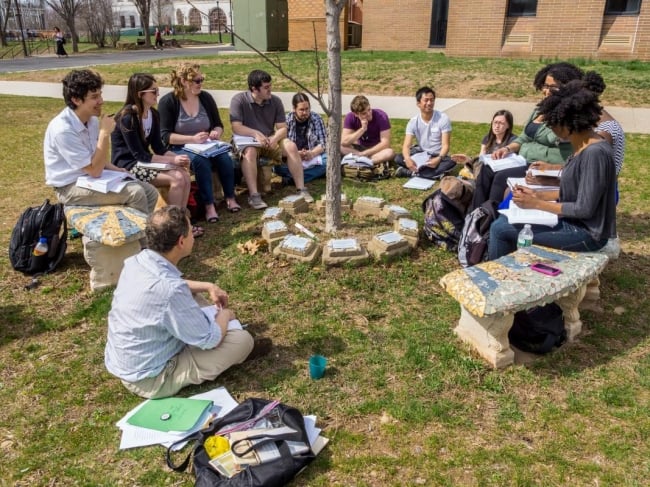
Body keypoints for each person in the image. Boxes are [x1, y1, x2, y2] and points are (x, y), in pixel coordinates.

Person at [104, 205, 272, 399]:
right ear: (181, 241)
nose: (194, 234)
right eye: (191, 230)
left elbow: (173, 286)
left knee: (193, 296)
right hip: (152, 378)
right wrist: (225, 315)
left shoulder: (137, 261)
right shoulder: (170, 291)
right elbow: (211, 339)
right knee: (242, 341)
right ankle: (237, 345)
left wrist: (207, 286)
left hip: (132, 361)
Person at [488, 79, 616, 260]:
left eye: (553, 124)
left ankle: (496, 280)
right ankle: (513, 270)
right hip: (574, 223)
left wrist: (537, 204)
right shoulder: (583, 146)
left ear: (566, 123)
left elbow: (584, 209)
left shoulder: (595, 153)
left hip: (587, 234)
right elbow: (576, 190)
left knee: (499, 229)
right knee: (505, 220)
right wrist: (537, 195)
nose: (552, 129)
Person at [44, 69, 158, 215]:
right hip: (69, 187)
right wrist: (104, 133)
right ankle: (135, 235)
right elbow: (94, 170)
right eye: (94, 97)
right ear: (76, 100)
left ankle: (143, 232)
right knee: (135, 193)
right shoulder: (63, 130)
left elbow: (96, 158)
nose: (101, 101)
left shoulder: (90, 119)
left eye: (100, 95)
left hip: (91, 178)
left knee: (150, 191)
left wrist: (117, 170)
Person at [470, 62, 582, 210]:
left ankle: (490, 219)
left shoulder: (566, 115)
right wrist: (507, 149)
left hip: (540, 165)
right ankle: (475, 214)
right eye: (545, 86)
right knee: (486, 169)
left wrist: (550, 115)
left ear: (566, 88)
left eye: (552, 87)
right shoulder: (539, 110)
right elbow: (524, 137)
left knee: (500, 177)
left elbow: (555, 138)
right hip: (521, 159)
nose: (546, 91)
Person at [111, 74, 199, 236]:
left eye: (157, 90)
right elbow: (139, 155)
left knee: (184, 175)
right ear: (139, 94)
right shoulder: (127, 118)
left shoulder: (153, 114)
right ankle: (170, 228)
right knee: (177, 178)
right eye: (153, 91)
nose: (157, 94)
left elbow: (158, 147)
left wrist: (177, 159)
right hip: (127, 166)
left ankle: (181, 223)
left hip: (144, 162)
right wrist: (173, 159)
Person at [159, 63, 240, 222]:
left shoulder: (205, 97)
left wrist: (216, 132)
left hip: (207, 145)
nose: (200, 83)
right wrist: (192, 139)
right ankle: (209, 205)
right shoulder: (168, 102)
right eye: (197, 80)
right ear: (183, 81)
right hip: (180, 147)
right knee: (200, 161)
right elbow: (166, 136)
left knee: (225, 158)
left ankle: (230, 197)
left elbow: (218, 124)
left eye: (201, 79)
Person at [230, 69, 313, 209]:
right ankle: (254, 196)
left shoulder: (275, 101)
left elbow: (283, 128)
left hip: (269, 140)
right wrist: (255, 134)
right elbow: (236, 127)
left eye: (270, 86)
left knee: (291, 146)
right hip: (248, 141)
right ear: (254, 89)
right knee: (249, 152)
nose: (270, 90)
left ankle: (301, 189)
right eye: (266, 87)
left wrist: (275, 138)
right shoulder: (239, 100)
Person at [394, 87, 455, 179]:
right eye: (426, 100)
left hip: (438, 155)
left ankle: (411, 173)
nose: (429, 103)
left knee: (452, 161)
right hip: (422, 154)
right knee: (398, 158)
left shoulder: (443, 118)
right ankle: (433, 174)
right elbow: (406, 145)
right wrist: (407, 159)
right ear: (418, 103)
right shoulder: (413, 121)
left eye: (432, 100)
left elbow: (446, 145)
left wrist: (438, 159)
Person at [274, 92, 327, 186]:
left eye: (307, 109)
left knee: (328, 161)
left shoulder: (317, 118)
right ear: (294, 109)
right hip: (292, 159)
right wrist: (296, 154)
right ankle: (312, 174)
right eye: (301, 110)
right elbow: (281, 147)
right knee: (277, 166)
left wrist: (312, 153)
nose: (305, 113)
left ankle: (292, 179)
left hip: (312, 157)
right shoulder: (286, 120)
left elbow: (324, 143)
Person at [341, 95, 395, 165]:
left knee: (390, 152)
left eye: (369, 109)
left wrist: (364, 153)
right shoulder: (350, 117)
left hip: (376, 150)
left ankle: (360, 161)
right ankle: (365, 162)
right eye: (364, 113)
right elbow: (344, 142)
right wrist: (362, 130)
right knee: (340, 147)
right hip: (359, 150)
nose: (369, 114)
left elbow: (385, 144)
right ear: (356, 114)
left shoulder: (381, 116)